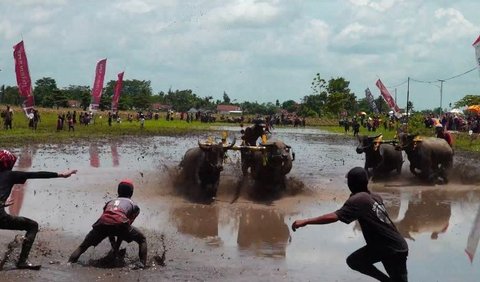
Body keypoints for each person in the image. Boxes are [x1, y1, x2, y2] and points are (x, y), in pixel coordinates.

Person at [292, 167, 408, 282]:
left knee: (355, 261)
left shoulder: (358, 200)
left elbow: (334, 216)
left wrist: (306, 221)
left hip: (389, 248)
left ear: (351, 183)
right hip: (394, 245)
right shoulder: (374, 197)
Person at [0, 150, 77, 270]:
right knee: (32, 226)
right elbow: (35, 174)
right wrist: (60, 174)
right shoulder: (10, 175)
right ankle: (22, 261)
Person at [68, 179, 147, 268]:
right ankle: (142, 265)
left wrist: (114, 246)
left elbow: (108, 221)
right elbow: (123, 227)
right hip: (120, 224)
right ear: (132, 192)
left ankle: (69, 263)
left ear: (118, 191)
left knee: (83, 247)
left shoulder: (109, 202)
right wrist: (115, 247)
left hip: (101, 224)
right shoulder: (134, 206)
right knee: (142, 239)